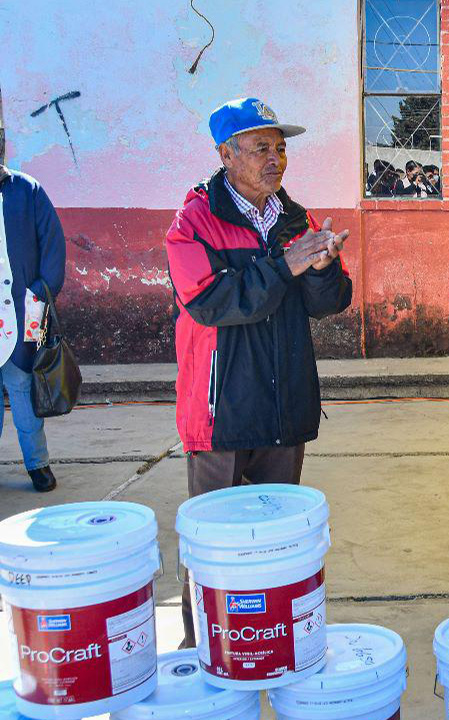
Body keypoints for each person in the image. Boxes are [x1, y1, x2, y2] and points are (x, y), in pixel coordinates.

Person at [164, 97, 353, 647]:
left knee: (277, 538)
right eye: (261, 148)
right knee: (212, 544)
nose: (276, 159)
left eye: (281, 147)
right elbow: (210, 302)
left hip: (284, 405)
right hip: (219, 413)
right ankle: (203, 645)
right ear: (226, 154)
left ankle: (266, 639)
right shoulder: (193, 221)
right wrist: (286, 264)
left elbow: (328, 303)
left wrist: (321, 267)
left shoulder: (295, 218)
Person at [0, 127, 66, 493]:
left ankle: (37, 464)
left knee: (23, 389)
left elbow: (52, 244)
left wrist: (41, 291)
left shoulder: (27, 190)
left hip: (23, 311)